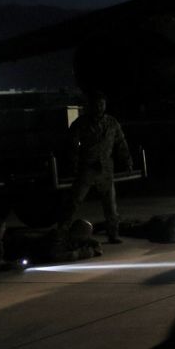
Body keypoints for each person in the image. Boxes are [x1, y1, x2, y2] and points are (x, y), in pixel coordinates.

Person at [66, 91, 130, 244]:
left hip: (106, 169)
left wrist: (127, 160)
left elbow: (121, 142)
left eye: (102, 104)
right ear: (91, 105)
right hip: (87, 167)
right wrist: (73, 164)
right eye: (97, 104)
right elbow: (72, 145)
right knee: (74, 201)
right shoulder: (81, 123)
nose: (100, 107)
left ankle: (113, 234)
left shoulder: (112, 122)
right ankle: (62, 230)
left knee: (110, 206)